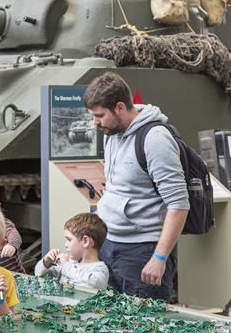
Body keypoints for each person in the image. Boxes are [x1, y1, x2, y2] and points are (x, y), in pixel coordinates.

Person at [84, 72, 189, 300]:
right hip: (109, 244)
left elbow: (179, 204)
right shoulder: (111, 132)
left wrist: (159, 258)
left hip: (142, 252)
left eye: (99, 115)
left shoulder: (155, 139)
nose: (95, 122)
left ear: (120, 107)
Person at [34, 213, 109, 290]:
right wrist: (46, 262)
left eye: (69, 240)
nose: (65, 244)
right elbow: (38, 275)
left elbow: (92, 284)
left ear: (85, 241)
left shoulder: (100, 269)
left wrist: (66, 265)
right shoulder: (68, 264)